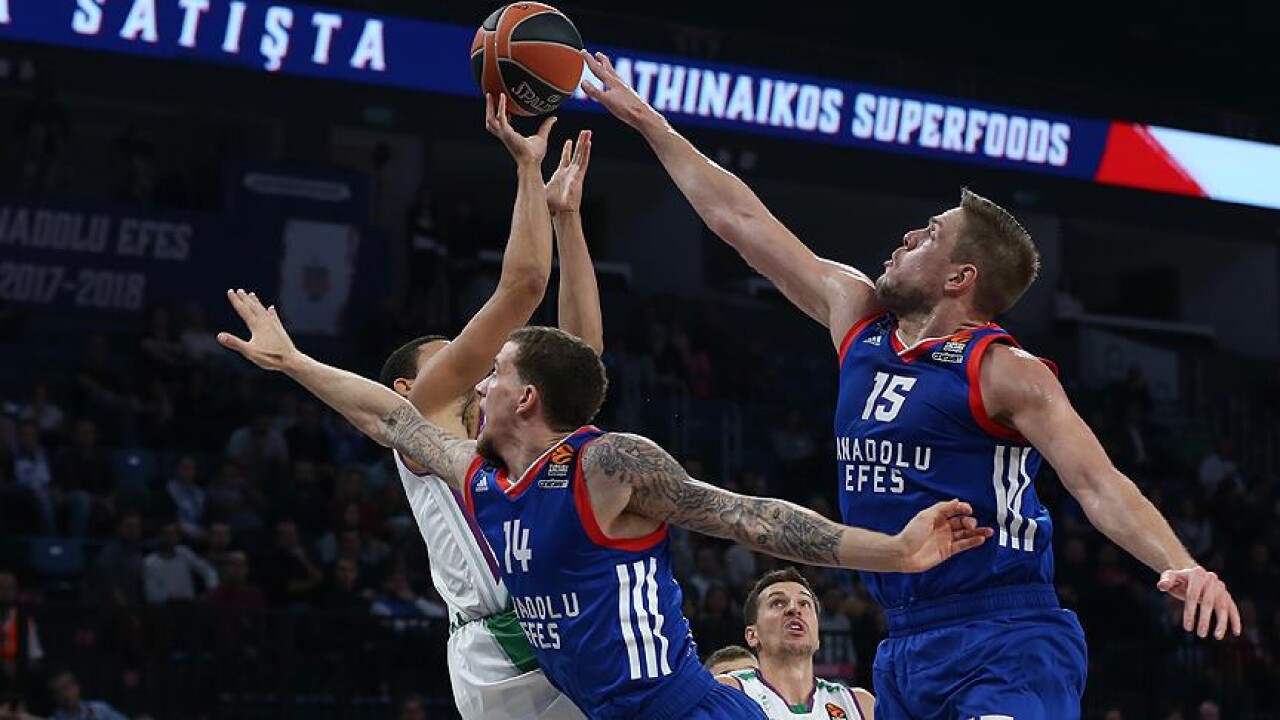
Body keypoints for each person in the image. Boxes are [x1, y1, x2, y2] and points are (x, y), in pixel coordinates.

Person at [577, 49, 1241, 718]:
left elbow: (1098, 484)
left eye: (929, 235)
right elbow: (741, 224)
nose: (906, 235)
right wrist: (649, 122)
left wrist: (1177, 563)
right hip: (904, 643)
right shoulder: (858, 319)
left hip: (1005, 636)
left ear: (960, 278)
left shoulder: (1005, 370)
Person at [217, 290, 990, 719]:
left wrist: (894, 551)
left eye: (495, 374)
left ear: (527, 397)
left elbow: (747, 516)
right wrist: (293, 362)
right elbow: (394, 419)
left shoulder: (608, 464)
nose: (478, 384)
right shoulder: (485, 479)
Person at [373, 93, 593, 719]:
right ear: (407, 391)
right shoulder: (422, 423)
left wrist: (567, 219)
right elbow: (524, 285)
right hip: (496, 642)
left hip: (560, 615)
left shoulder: (512, 431)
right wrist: (527, 167)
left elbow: (582, 357)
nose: (473, 374)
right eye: (453, 361)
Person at [718, 568, 874, 720]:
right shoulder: (730, 693)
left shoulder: (860, 705)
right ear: (752, 635)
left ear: (817, 637)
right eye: (778, 603)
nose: (794, 609)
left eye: (804, 603)